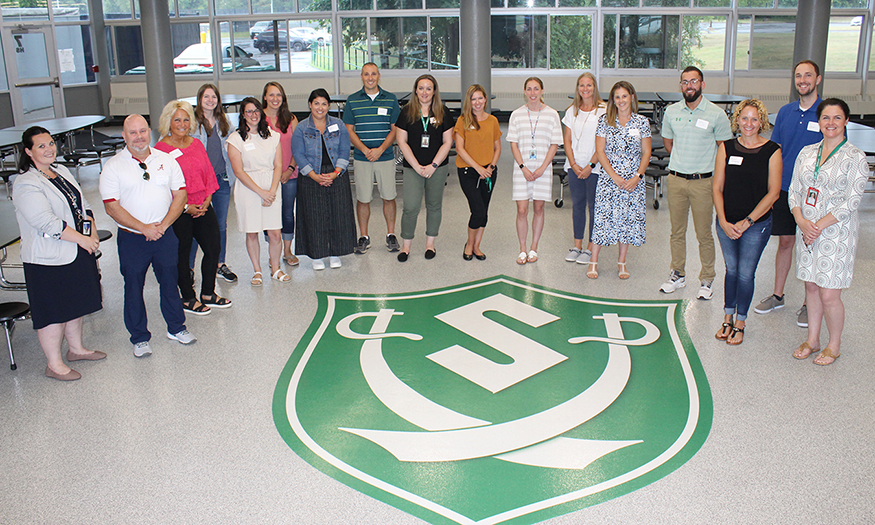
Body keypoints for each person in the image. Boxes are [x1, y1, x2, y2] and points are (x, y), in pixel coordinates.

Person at [100, 114, 196, 357]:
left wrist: (162, 226)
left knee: (169, 282)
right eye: (133, 132)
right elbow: (112, 207)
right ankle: (139, 337)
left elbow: (181, 196)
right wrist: (144, 228)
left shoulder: (166, 160)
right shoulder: (113, 167)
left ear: (149, 133)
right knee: (133, 286)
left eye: (142, 131)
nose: (139, 137)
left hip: (164, 233)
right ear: (124, 136)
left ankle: (176, 327)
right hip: (133, 238)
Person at [13, 127, 104, 381]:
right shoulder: (26, 182)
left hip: (76, 249)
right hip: (48, 258)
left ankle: (76, 350)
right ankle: (54, 364)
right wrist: (83, 240)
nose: (49, 149)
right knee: (54, 311)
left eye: (51, 143)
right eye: (41, 146)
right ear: (28, 152)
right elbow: (46, 222)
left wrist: (92, 231)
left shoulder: (61, 171)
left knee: (75, 303)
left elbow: (82, 205)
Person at [788, 99, 868, 366]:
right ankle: (813, 339)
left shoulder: (855, 157)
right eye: (825, 118)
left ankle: (834, 344)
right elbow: (795, 192)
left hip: (836, 234)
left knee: (829, 293)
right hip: (806, 230)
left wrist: (818, 225)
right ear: (819, 121)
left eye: (836, 118)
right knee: (811, 286)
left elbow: (852, 200)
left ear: (846, 121)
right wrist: (801, 221)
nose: (830, 123)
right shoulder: (807, 153)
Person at [753, 60, 823, 329]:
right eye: (798, 76)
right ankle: (778, 295)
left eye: (808, 75)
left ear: (817, 79)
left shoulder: (826, 111)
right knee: (785, 243)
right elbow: (777, 149)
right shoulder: (785, 112)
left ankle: (809, 303)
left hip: (813, 194)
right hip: (784, 189)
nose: (802, 80)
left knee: (811, 245)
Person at [660, 66, 733, 298]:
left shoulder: (716, 114)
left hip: (703, 182)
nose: (689, 86)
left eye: (693, 81)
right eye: (684, 82)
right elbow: (669, 144)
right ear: (680, 85)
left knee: (704, 233)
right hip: (676, 180)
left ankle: (707, 279)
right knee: (676, 232)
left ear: (702, 84)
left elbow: (724, 150)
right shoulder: (671, 112)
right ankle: (678, 274)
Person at [712, 99, 781, 345]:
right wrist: (722, 220)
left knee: (745, 274)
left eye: (754, 119)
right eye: (744, 118)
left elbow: (773, 192)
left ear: (761, 121)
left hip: (756, 225)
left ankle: (740, 322)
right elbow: (717, 187)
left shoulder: (772, 150)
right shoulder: (726, 147)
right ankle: (727, 317)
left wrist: (748, 221)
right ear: (737, 120)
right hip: (726, 222)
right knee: (731, 271)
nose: (749, 124)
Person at [154, 100, 231, 315]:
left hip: (203, 205)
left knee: (213, 247)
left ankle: (208, 293)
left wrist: (207, 199)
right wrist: (186, 206)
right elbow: (161, 186)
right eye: (177, 119)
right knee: (183, 253)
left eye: (186, 119)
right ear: (168, 122)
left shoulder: (196, 144)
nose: (182, 124)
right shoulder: (160, 151)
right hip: (179, 210)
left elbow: (207, 172)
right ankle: (187, 297)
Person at [589, 81, 651, 279]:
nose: (621, 100)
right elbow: (600, 151)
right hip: (609, 180)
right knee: (602, 219)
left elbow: (646, 151)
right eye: (617, 97)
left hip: (633, 181)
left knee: (626, 220)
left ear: (632, 97)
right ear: (613, 100)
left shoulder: (642, 122)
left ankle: (622, 263)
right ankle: (593, 262)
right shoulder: (605, 120)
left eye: (624, 96)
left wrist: (637, 177)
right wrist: (614, 176)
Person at [291, 89, 356, 270]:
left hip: (336, 174)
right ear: (310, 105)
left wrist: (335, 173)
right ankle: (317, 255)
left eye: (324, 104)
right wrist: (314, 176)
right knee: (314, 215)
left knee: (338, 214)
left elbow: (344, 150)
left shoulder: (339, 124)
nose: (320, 108)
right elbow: (298, 154)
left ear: (329, 105)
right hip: (311, 175)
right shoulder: (302, 128)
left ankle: (336, 252)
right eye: (316, 103)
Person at [394, 74, 454, 262]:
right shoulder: (406, 112)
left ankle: (430, 244)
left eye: (429, 88)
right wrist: (417, 166)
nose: (425, 92)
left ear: (434, 91)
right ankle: (406, 247)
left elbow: (447, 142)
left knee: (434, 206)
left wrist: (433, 165)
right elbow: (401, 141)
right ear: (415, 91)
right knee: (411, 207)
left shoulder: (443, 112)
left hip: (437, 168)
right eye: (421, 88)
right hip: (413, 168)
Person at [343, 62, 402, 254]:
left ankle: (391, 235)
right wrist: (366, 149)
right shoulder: (352, 101)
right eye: (366, 74)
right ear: (361, 77)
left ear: (379, 76)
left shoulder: (391, 100)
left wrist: (380, 149)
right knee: (363, 199)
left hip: (385, 157)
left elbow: (395, 130)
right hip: (362, 158)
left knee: (389, 197)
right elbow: (349, 130)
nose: (370, 78)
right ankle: (364, 236)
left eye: (373, 74)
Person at [227, 97, 287, 285]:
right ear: (243, 115)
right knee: (252, 232)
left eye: (256, 111)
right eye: (249, 111)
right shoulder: (235, 139)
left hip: (272, 186)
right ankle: (257, 271)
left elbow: (278, 165)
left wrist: (271, 190)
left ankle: (275, 268)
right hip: (248, 189)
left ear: (261, 113)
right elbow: (238, 171)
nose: (253, 115)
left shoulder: (272, 135)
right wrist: (261, 192)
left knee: (275, 233)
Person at [508, 77, 562, 265]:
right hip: (522, 170)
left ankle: (534, 248)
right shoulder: (516, 115)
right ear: (524, 92)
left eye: (536, 89)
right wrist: (523, 167)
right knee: (522, 210)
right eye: (529, 89)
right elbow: (513, 144)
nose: (533, 93)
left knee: (538, 208)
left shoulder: (552, 114)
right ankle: (522, 249)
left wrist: (542, 168)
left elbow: (554, 144)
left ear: (542, 91)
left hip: (543, 169)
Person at [191, 83, 238, 283]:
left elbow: (236, 143)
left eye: (214, 97)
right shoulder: (192, 123)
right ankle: (189, 267)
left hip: (221, 179)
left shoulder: (224, 121)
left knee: (220, 224)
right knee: (195, 224)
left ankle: (220, 263)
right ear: (199, 99)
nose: (210, 100)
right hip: (198, 183)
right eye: (206, 97)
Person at [563, 72, 607, 265]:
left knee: (594, 207)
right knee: (578, 206)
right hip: (574, 166)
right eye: (582, 85)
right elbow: (567, 140)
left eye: (589, 85)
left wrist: (590, 165)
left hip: (595, 167)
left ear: (594, 87)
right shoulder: (571, 110)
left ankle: (591, 248)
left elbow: (604, 143)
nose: (585, 89)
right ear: (577, 88)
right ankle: (577, 245)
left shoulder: (604, 110)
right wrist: (573, 164)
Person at [454, 84, 502, 261]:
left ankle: (476, 246)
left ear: (485, 99)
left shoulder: (492, 121)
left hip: (489, 172)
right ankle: (469, 244)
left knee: (485, 211)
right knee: (478, 211)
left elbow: (497, 147)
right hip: (468, 171)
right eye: (473, 99)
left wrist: (490, 167)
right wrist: (478, 168)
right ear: (469, 101)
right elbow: (460, 149)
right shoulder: (463, 121)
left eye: (480, 98)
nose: (477, 102)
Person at [262, 81, 300, 266]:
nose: (275, 98)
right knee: (269, 214)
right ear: (265, 97)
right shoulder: (258, 118)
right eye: (271, 95)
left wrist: (290, 169)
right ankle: (273, 251)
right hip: (267, 177)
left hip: (289, 175)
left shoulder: (291, 119)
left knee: (287, 213)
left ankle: (286, 250)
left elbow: (297, 148)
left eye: (278, 95)